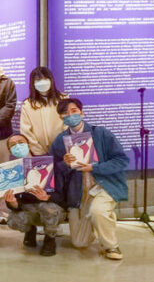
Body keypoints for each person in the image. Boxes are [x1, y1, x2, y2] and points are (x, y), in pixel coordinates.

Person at [50, 98, 129, 261]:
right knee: (80, 242)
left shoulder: (100, 133)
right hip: (79, 193)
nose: (70, 115)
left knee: (98, 211)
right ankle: (97, 220)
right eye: (65, 113)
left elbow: (121, 160)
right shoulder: (60, 140)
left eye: (74, 111)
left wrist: (94, 168)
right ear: (60, 117)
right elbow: (52, 169)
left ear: (82, 113)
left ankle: (111, 245)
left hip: (103, 186)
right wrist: (64, 164)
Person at [2, 134, 65, 257]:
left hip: (52, 208)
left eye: (21, 142)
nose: (18, 146)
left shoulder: (47, 163)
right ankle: (30, 230)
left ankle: (50, 238)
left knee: (48, 209)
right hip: (29, 209)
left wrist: (48, 197)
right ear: (10, 151)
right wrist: (13, 203)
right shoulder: (11, 172)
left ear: (28, 144)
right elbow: (14, 203)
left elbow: (63, 193)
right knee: (13, 220)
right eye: (13, 145)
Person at [20, 66, 66, 156]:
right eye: (38, 80)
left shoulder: (63, 99)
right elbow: (26, 130)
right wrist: (38, 151)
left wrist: (62, 145)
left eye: (45, 79)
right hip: (39, 152)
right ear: (33, 83)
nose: (42, 82)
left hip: (62, 149)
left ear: (51, 80)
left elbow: (67, 125)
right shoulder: (28, 104)